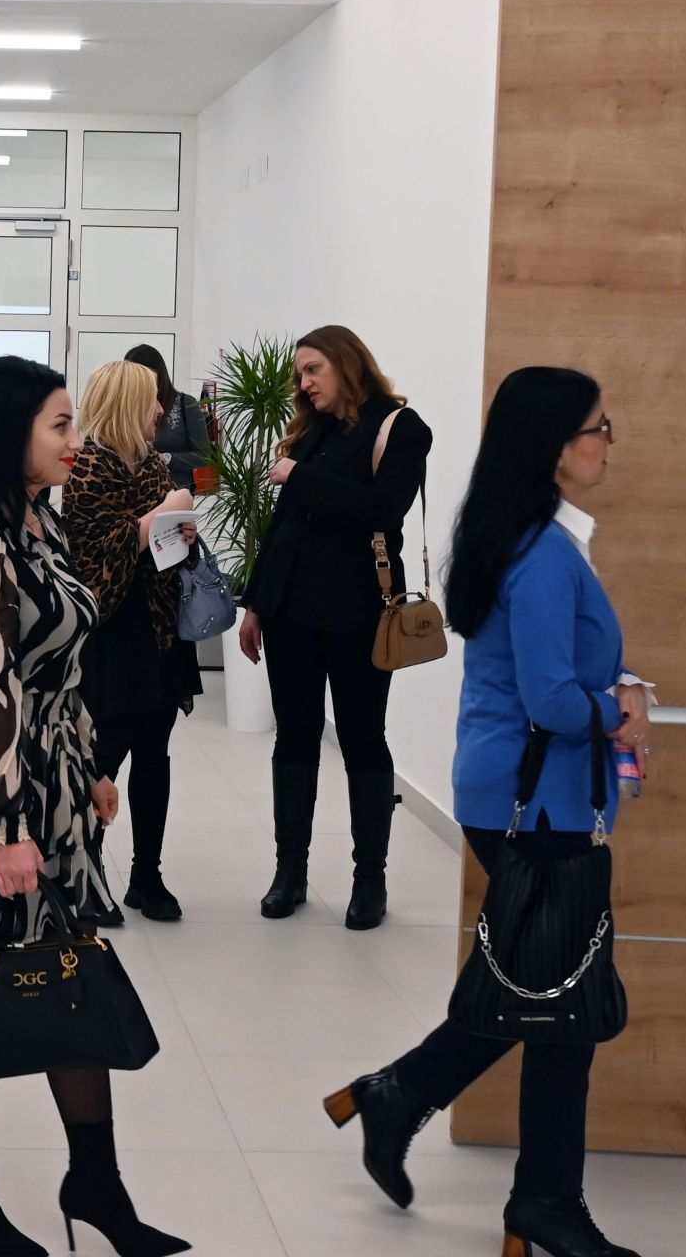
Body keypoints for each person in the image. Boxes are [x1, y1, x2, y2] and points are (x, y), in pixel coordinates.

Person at [322, 366, 648, 1257]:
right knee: (558, 1010)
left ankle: (401, 1101)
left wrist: (617, 689)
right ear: (554, 447)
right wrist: (617, 709)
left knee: (544, 995)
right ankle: (541, 1203)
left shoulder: (529, 538)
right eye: (598, 428)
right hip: (534, 805)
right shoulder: (541, 556)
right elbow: (552, 699)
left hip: (521, 797)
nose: (608, 443)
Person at [0, 355, 190, 1257]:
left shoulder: (41, 521)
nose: (75, 439)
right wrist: (12, 829)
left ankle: (95, 1181)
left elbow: (61, 668)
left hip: (50, 774)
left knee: (70, 970)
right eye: (60, 423)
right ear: (8, 432)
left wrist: (88, 765)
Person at [238, 325, 432, 929]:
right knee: (294, 738)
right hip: (291, 615)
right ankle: (289, 872)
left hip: (361, 616)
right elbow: (282, 529)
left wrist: (300, 476)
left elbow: (381, 509)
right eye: (300, 373)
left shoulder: (401, 428)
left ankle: (369, 879)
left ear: (347, 365)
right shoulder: (313, 430)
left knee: (362, 739)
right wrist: (256, 604)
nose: (304, 383)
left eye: (313, 369)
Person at [64, 361, 202, 925]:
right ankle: (85, 872)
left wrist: (184, 533)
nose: (161, 411)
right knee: (102, 756)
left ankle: (148, 874)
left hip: (159, 630)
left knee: (154, 756)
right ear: (126, 403)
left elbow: (166, 549)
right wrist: (161, 516)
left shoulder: (151, 464)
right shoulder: (86, 466)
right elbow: (95, 561)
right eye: (151, 400)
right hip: (111, 637)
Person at [123, 344, 211, 492]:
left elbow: (203, 456)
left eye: (139, 376)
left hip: (175, 491)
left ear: (156, 375)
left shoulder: (185, 404)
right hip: (134, 492)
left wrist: (165, 458)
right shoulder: (126, 406)